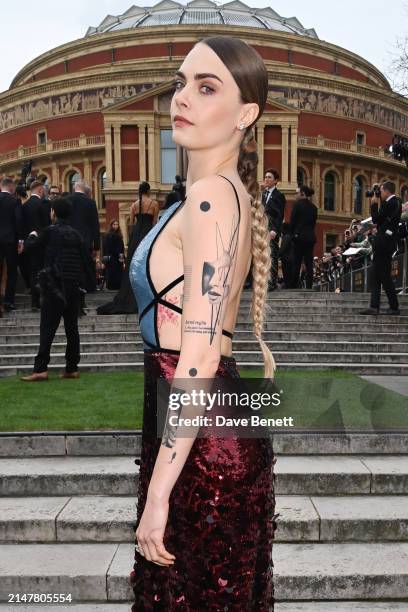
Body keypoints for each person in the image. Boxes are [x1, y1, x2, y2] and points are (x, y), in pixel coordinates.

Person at [128, 36, 278, 611]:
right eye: (181, 83)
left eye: (207, 86)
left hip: (202, 445)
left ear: (246, 115)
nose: (182, 98)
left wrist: (161, 489)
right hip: (205, 429)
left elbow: (199, 354)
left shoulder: (212, 197)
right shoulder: (218, 195)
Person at [20, 197, 86, 382]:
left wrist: (31, 235)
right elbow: (85, 261)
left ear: (54, 213)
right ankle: (72, 368)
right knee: (72, 329)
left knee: (47, 328)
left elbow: (31, 248)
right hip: (73, 286)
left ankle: (41, 369)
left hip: (54, 285)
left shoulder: (49, 232)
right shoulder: (76, 234)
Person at [97, 181, 159, 315]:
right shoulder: (154, 204)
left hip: (136, 235)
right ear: (148, 191)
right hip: (148, 233)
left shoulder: (134, 205)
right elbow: (155, 223)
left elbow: (131, 223)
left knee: (133, 263)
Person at [359, 181, 402, 315]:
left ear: (386, 190)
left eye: (380, 191)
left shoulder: (391, 203)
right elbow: (382, 221)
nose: (379, 193)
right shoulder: (395, 202)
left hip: (384, 243)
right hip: (385, 242)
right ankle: (374, 306)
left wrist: (373, 203)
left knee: (383, 275)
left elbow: (376, 218)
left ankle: (393, 307)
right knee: (377, 275)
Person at [22, 180, 50, 309]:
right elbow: (47, 225)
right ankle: (43, 299)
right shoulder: (43, 204)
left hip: (28, 243)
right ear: (39, 190)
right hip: (42, 244)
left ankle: (34, 302)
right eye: (43, 190)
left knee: (32, 272)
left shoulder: (25, 205)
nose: (44, 192)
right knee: (43, 271)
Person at [68, 180, 100, 293]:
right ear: (85, 190)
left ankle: (73, 287)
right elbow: (95, 225)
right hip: (85, 240)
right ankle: (87, 287)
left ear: (75, 187)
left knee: (71, 264)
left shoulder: (67, 200)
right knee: (85, 264)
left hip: (69, 239)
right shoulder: (90, 202)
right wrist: (96, 245)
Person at [0, 177, 23, 311]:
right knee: (12, 271)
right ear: (10, 187)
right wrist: (20, 241)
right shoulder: (15, 201)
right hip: (10, 240)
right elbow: (18, 221)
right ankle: (8, 301)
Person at [289, 185, 318, 289]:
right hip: (310, 238)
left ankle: (293, 285)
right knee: (309, 263)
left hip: (299, 237)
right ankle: (309, 286)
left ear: (302, 193)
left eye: (297, 193)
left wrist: (292, 234)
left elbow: (292, 222)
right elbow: (313, 224)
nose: (295, 195)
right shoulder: (314, 207)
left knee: (296, 262)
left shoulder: (297, 205)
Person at [262, 169, 286, 290]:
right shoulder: (263, 194)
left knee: (272, 256)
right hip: (261, 230)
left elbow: (280, 215)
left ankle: (271, 283)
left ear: (276, 181)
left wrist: (275, 230)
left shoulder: (279, 196)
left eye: (269, 177)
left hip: (271, 231)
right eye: (265, 177)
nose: (266, 179)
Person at [103, 220, 125, 290]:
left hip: (117, 258)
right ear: (111, 225)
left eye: (117, 224)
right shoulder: (108, 236)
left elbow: (121, 248)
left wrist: (122, 257)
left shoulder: (119, 236)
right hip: (112, 258)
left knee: (117, 274)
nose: (116, 226)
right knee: (112, 274)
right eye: (114, 224)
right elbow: (106, 248)